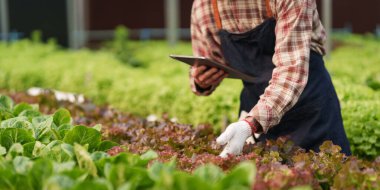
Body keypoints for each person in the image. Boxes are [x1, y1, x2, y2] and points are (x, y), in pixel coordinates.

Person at [189, 0, 351, 158]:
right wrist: (201, 81)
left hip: (309, 106)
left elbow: (291, 70)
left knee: (326, 176)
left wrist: (250, 124)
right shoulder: (203, 6)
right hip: (254, 104)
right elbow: (207, 58)